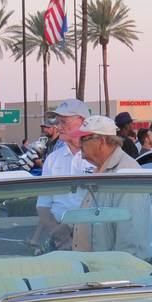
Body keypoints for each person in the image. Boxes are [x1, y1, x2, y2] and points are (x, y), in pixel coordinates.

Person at [66, 114, 150, 257]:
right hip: (97, 270)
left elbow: (129, 237)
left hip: (111, 274)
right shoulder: (104, 171)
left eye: (83, 139)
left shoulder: (126, 174)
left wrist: (120, 276)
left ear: (101, 141)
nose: (79, 145)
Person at [32, 98, 94, 247]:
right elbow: (43, 205)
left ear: (83, 122)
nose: (59, 127)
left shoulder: (97, 157)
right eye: (57, 123)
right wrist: (60, 233)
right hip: (60, 238)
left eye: (64, 122)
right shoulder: (53, 159)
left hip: (94, 233)